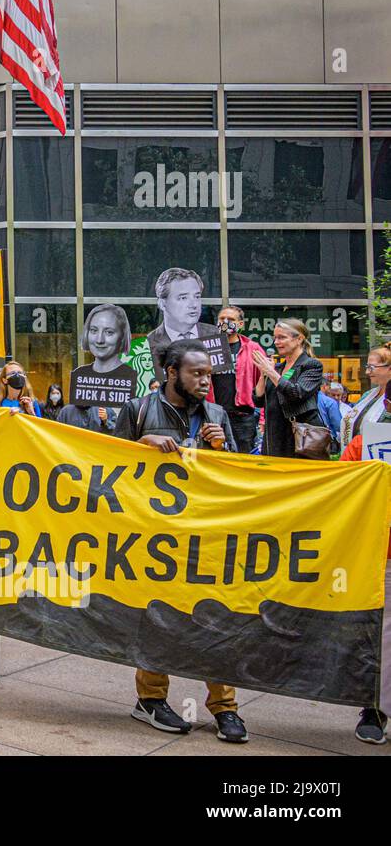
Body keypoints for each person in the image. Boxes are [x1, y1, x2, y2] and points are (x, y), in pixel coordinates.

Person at [113, 339, 247, 743]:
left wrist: (222, 449)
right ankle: (151, 700)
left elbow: (242, 477)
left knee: (216, 618)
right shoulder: (138, 410)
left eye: (209, 373)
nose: (207, 380)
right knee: (157, 618)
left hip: (206, 538)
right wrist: (141, 444)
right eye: (197, 373)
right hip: (155, 540)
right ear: (171, 373)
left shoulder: (219, 415)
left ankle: (225, 708)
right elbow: (107, 465)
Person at [337, 398, 391, 743]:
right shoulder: (365, 445)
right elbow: (340, 490)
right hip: (382, 554)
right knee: (383, 638)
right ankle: (376, 709)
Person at [252, 318, 325, 458]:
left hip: (298, 438)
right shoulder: (277, 368)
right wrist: (263, 374)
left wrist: (271, 373)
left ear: (299, 339)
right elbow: (258, 400)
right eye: (275, 338)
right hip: (273, 436)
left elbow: (296, 393)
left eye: (281, 337)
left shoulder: (311, 365)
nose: (276, 342)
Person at [210, 306, 265, 455]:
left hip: (243, 417)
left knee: (243, 459)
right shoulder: (208, 347)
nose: (226, 322)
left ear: (241, 324)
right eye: (222, 319)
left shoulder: (252, 349)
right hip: (213, 415)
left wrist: (262, 417)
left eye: (231, 319)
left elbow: (264, 382)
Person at [144, 267, 219, 370]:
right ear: (162, 304)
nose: (194, 305)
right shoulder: (148, 344)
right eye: (183, 298)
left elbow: (224, 382)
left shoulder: (216, 335)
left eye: (197, 297)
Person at [343, 345, 391, 448]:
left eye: (371, 367)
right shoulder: (367, 395)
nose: (367, 372)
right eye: (367, 367)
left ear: (390, 369)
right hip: (359, 454)